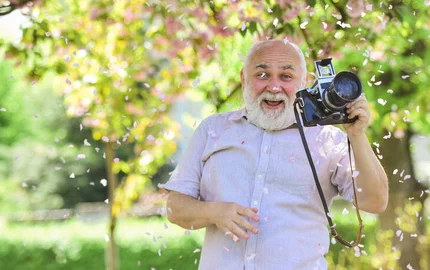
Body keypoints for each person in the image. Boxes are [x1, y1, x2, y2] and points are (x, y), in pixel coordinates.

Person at [160, 39, 389, 269]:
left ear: (304, 81)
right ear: (243, 79)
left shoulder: (329, 140)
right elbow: (174, 207)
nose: (274, 86)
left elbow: (375, 202)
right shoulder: (212, 130)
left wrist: (357, 135)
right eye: (262, 75)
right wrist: (215, 212)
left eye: (286, 77)